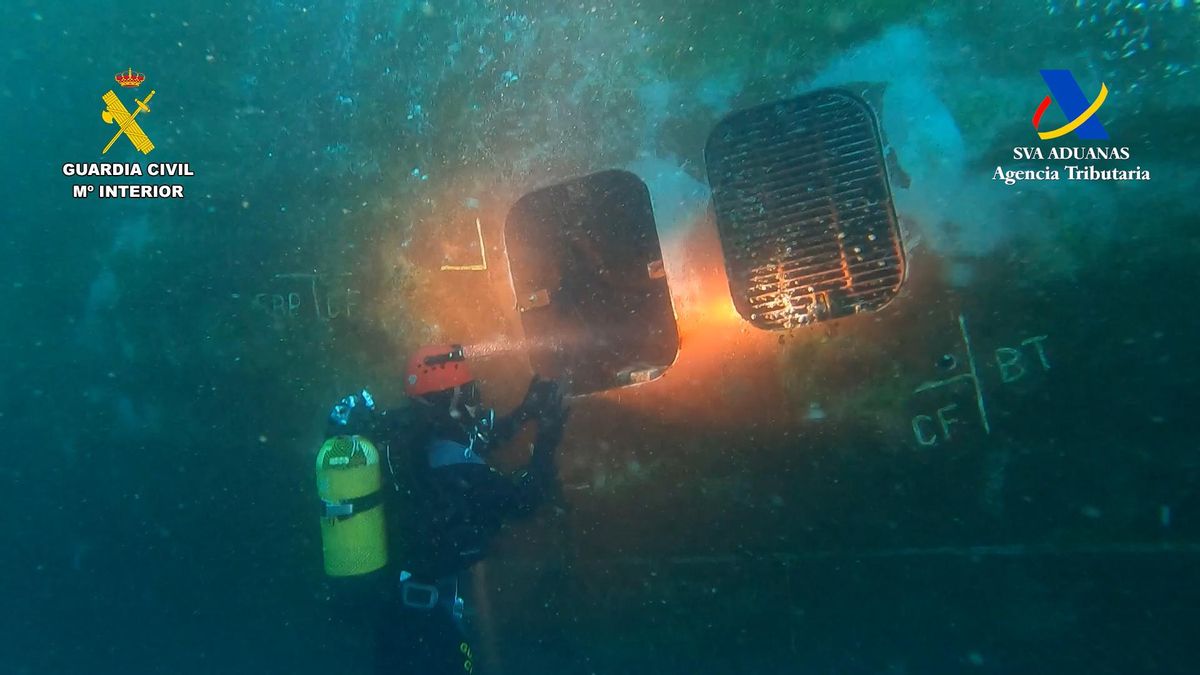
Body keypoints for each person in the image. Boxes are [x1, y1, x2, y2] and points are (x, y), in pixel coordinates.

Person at [322, 343, 568, 674]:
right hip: (432, 626)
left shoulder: (405, 433)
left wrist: (525, 411)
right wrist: (548, 438)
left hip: (396, 614)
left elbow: (477, 440)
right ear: (448, 400)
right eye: (469, 393)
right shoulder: (455, 465)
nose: (475, 403)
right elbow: (524, 500)